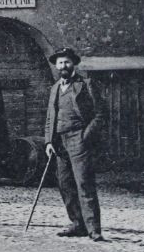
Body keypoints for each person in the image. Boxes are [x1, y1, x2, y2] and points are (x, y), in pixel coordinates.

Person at [43, 48, 104, 241]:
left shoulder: (85, 84)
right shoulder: (54, 88)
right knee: (65, 184)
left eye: (67, 62)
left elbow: (101, 114)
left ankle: (93, 229)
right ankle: (77, 224)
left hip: (79, 139)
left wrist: (85, 136)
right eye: (60, 63)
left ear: (74, 64)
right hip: (59, 143)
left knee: (84, 183)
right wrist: (48, 141)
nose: (63, 66)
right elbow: (49, 117)